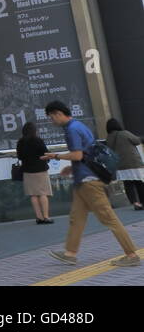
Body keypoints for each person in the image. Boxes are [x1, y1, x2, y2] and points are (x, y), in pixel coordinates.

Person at [45, 102, 140, 267]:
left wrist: (56, 156)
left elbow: (77, 155)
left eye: (51, 117)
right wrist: (71, 167)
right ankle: (70, 253)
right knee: (77, 218)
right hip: (83, 179)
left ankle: (131, 255)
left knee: (109, 218)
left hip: (89, 181)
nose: (51, 121)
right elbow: (85, 153)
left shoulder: (71, 130)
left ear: (59, 113)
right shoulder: (78, 125)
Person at [16, 120, 54, 224]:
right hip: (40, 169)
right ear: (34, 131)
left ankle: (39, 217)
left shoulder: (20, 142)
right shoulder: (38, 141)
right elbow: (45, 153)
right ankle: (46, 217)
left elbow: (19, 156)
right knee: (43, 193)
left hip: (27, 171)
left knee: (33, 195)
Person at [106, 118, 144, 211]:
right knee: (139, 183)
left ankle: (135, 203)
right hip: (133, 162)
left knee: (128, 184)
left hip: (121, 165)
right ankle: (142, 202)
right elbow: (137, 141)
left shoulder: (109, 137)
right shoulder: (125, 133)